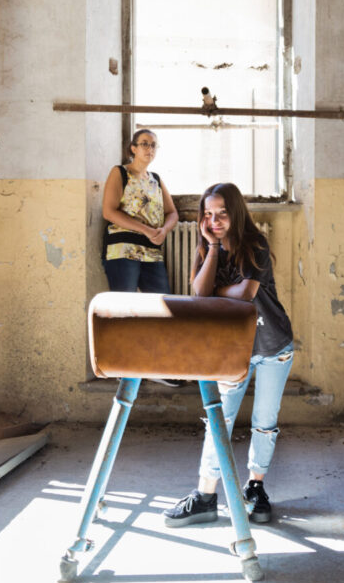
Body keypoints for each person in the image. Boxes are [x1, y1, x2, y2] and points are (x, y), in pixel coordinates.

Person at [163, 182, 295, 527]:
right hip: (231, 349)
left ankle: (256, 488)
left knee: (264, 423)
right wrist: (212, 247)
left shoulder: (256, 245)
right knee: (219, 420)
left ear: (235, 212)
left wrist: (219, 292)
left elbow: (246, 292)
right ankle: (205, 495)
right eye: (208, 214)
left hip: (272, 345)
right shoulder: (210, 248)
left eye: (221, 213)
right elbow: (201, 291)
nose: (215, 220)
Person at [101, 129, 178, 294]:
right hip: (123, 249)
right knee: (124, 305)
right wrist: (146, 230)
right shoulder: (120, 172)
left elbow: (172, 213)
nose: (149, 149)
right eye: (144, 144)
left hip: (152, 250)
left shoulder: (155, 179)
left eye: (153, 145)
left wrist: (164, 231)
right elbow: (108, 212)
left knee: (162, 302)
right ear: (133, 148)